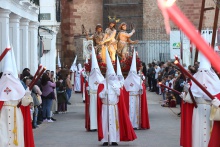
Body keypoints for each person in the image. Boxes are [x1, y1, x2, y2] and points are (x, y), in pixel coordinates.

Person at [97, 48, 137, 146]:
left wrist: (114, 87)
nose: (111, 78)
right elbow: (99, 95)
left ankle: (114, 139)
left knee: (114, 123)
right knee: (105, 123)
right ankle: (105, 139)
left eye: (112, 76)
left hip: (113, 106)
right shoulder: (103, 84)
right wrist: (104, 92)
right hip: (105, 106)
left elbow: (120, 94)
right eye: (110, 76)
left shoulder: (117, 84)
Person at [180, 53, 220, 147]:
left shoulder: (218, 85)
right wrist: (186, 94)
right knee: (197, 132)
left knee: (211, 135)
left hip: (212, 112)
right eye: (201, 72)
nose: (203, 75)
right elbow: (191, 100)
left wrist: (217, 103)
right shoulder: (194, 83)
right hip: (198, 112)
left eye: (206, 72)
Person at [0, 49, 34, 147]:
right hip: (3, 115)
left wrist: (27, 95)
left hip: (16, 114)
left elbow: (24, 102)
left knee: (17, 137)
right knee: (3, 136)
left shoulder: (18, 87)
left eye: (9, 75)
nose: (7, 77)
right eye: (5, 74)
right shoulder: (1, 85)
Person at [124, 49, 150, 130]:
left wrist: (141, 88)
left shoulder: (139, 80)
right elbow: (124, 88)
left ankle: (136, 124)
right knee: (130, 111)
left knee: (136, 111)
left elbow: (142, 89)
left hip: (136, 98)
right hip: (129, 97)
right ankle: (130, 123)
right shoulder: (127, 80)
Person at [85, 47, 104, 131]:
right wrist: (88, 89)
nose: (95, 71)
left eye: (97, 69)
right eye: (94, 69)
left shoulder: (101, 78)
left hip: (99, 97)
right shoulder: (90, 78)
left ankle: (99, 125)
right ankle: (93, 126)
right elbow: (88, 90)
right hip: (92, 98)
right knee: (92, 111)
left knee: (99, 111)